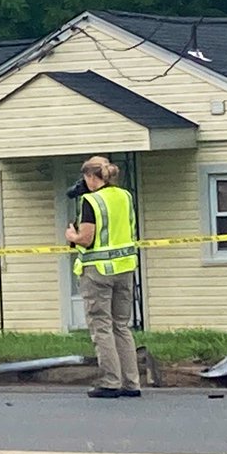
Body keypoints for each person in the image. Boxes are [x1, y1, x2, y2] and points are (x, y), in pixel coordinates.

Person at [64, 156, 141, 399]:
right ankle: (132, 383)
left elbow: (86, 238)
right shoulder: (125, 196)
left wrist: (71, 235)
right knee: (122, 326)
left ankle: (110, 382)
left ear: (90, 177)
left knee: (102, 326)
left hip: (98, 271)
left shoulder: (91, 201)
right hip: (125, 268)